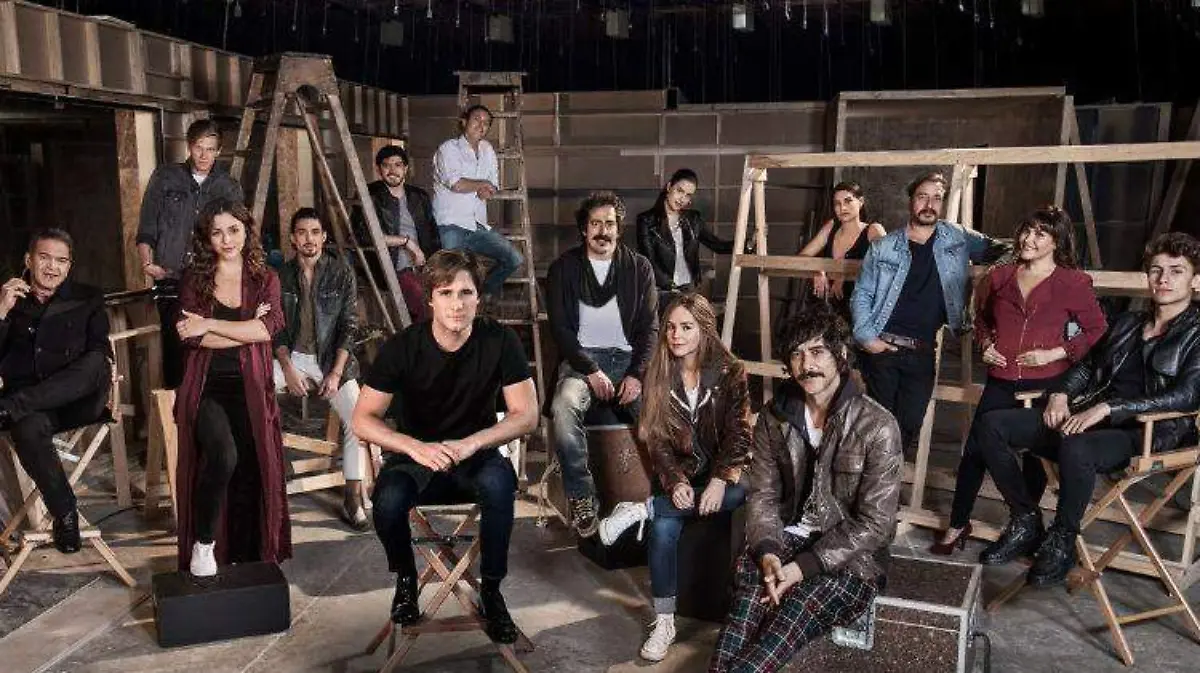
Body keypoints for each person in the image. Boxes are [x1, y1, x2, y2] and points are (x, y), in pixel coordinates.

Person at [969, 232, 1200, 587]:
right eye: (1156, 270)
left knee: (1076, 445)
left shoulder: (1196, 333)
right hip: (1090, 419)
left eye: (1176, 271)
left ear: (1195, 280)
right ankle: (1026, 519)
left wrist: (1110, 407)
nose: (1163, 279)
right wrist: (1060, 394)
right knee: (992, 424)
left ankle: (1062, 541)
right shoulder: (1127, 324)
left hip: (1148, 433)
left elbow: (1187, 396)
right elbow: (1086, 367)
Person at [352, 249, 539, 644]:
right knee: (387, 501)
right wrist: (414, 447)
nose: (457, 304)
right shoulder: (403, 347)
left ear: (479, 298)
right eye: (446, 293)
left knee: (499, 488)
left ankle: (491, 591)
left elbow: (526, 415)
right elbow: (362, 418)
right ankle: (406, 580)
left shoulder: (500, 340)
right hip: (415, 457)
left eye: (466, 292)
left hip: (476, 454)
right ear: (430, 299)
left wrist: (472, 443)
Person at [710, 302, 902, 673]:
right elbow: (763, 495)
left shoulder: (878, 426)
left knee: (788, 619)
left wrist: (802, 568)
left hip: (849, 559)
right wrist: (768, 551)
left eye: (817, 352)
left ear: (840, 355)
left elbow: (876, 524)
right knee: (742, 615)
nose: (806, 365)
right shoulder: (775, 416)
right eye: (796, 354)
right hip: (784, 538)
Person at [932, 206, 1106, 554]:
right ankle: (958, 523)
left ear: (1056, 242)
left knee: (1036, 457)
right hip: (1001, 378)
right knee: (975, 452)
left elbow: (1096, 329)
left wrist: (1055, 353)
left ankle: (1023, 525)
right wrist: (986, 345)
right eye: (1027, 230)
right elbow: (982, 321)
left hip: (1048, 382)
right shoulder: (1000, 277)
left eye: (1040, 233)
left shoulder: (1073, 282)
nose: (1028, 238)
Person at [595, 293, 751, 662]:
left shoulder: (731, 371)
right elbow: (657, 441)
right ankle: (664, 622)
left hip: (719, 474)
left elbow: (740, 434)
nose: (676, 335)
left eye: (686, 327)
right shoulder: (658, 372)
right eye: (670, 327)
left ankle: (644, 510)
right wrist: (676, 481)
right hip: (678, 476)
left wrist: (720, 479)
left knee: (742, 490)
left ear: (704, 329)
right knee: (664, 531)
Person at [850, 171, 1008, 454]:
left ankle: (883, 479)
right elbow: (862, 294)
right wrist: (867, 338)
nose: (929, 205)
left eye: (937, 198)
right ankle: (879, 481)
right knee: (878, 429)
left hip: (922, 351)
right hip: (883, 347)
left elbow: (1005, 250)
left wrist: (991, 275)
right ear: (911, 200)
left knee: (909, 424)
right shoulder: (884, 247)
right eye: (922, 197)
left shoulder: (957, 238)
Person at [174, 200, 289, 577]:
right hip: (205, 387)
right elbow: (191, 339)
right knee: (223, 456)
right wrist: (244, 330)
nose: (227, 239)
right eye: (217, 232)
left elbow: (267, 330)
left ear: (246, 231)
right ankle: (204, 544)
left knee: (253, 470)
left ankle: (249, 555)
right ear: (207, 238)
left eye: (234, 230)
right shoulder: (194, 278)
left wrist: (209, 324)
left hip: (252, 387)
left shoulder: (264, 278)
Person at [547, 191, 658, 538]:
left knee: (657, 413)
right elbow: (560, 330)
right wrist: (591, 370)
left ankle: (668, 491)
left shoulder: (639, 267)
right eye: (595, 223)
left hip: (627, 361)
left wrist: (636, 375)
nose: (603, 231)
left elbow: (650, 329)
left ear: (619, 229)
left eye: (609, 223)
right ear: (584, 229)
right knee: (564, 405)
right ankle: (582, 497)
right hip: (582, 361)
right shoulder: (563, 268)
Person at [0, 229, 112, 554]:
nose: (52, 267)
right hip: (34, 412)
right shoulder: (11, 300)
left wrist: (14, 404)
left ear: (69, 266)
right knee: (27, 428)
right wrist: (1, 312)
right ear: (28, 260)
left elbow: (100, 352)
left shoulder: (88, 297)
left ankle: (10, 407)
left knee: (97, 362)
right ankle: (65, 513)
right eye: (44, 258)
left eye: (61, 261)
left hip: (78, 400)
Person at [273, 208, 369, 530]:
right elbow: (275, 329)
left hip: (331, 360)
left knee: (358, 421)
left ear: (324, 236)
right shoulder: (280, 276)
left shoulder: (341, 273)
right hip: (292, 358)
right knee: (252, 395)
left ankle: (352, 497)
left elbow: (349, 327)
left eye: (315, 232)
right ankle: (266, 482)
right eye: (302, 232)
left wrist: (336, 373)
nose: (309, 239)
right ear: (292, 238)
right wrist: (287, 368)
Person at [137, 119, 244, 389]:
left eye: (210, 149)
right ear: (189, 146)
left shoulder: (228, 187)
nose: (204, 155)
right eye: (199, 148)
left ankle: (207, 406)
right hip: (170, 278)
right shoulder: (165, 177)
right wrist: (147, 263)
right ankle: (177, 408)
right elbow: (147, 226)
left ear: (219, 151)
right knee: (175, 348)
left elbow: (238, 233)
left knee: (208, 348)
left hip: (211, 279)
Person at [431, 104, 523, 301]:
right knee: (451, 275)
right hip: (451, 224)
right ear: (464, 122)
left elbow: (492, 186)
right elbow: (456, 184)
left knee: (514, 259)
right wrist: (482, 184)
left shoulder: (487, 149)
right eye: (476, 120)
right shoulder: (449, 148)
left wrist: (483, 188)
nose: (481, 125)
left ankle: (478, 296)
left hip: (476, 225)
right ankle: (446, 311)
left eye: (486, 123)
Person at [636, 169, 736, 307]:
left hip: (690, 287)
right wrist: (670, 287)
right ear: (669, 187)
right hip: (662, 290)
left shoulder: (693, 219)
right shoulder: (646, 220)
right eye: (679, 191)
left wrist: (748, 244)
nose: (682, 199)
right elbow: (649, 261)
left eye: (688, 195)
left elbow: (718, 246)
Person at [362, 144, 440, 323]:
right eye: (386, 165)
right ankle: (423, 338)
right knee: (424, 301)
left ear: (406, 168)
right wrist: (406, 242)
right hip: (393, 268)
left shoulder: (419, 196)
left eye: (397, 165)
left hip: (424, 267)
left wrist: (436, 264)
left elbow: (433, 234)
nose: (392, 170)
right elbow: (364, 236)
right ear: (378, 169)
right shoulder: (369, 195)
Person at [796, 182, 887, 318]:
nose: (842, 207)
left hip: (861, 313)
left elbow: (887, 262)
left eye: (848, 201)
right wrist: (817, 269)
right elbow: (802, 257)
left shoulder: (873, 230)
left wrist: (845, 272)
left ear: (861, 202)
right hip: (826, 312)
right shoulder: (831, 227)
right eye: (837, 203)